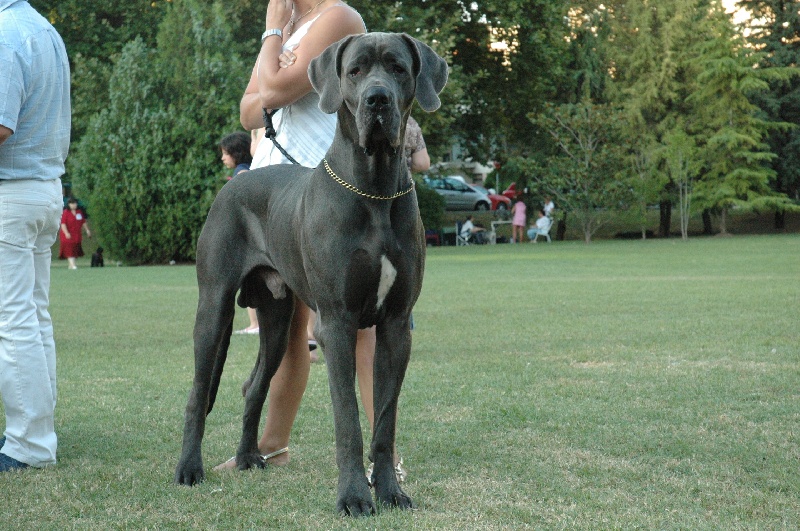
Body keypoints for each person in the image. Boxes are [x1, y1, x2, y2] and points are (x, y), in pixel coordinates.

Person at [213, 0, 366, 471]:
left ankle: (385, 457)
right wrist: (277, 56)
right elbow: (247, 113)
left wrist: (272, 38)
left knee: (359, 326)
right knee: (284, 327)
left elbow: (273, 91)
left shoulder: (338, 17)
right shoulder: (289, 27)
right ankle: (272, 446)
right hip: (277, 190)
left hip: (330, 185)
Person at [0, 0, 71, 472]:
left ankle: (30, 445)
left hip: (11, 193)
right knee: (32, 317)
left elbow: (2, 126)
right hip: (43, 189)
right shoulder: (43, 30)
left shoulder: (5, 34)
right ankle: (37, 432)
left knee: (14, 320)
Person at [218, 131, 261, 334]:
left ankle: (255, 324)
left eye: (226, 153)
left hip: (248, 236)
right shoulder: (248, 169)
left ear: (236, 153)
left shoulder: (242, 173)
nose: (223, 158)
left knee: (249, 279)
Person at [58, 197, 92, 269]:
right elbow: (63, 224)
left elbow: (83, 222)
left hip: (76, 235)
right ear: (69, 204)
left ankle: (71, 265)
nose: (73, 205)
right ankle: (73, 265)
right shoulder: (66, 212)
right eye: (72, 203)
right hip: (67, 235)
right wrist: (66, 233)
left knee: (75, 249)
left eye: (75, 203)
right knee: (69, 250)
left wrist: (87, 230)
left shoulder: (79, 212)